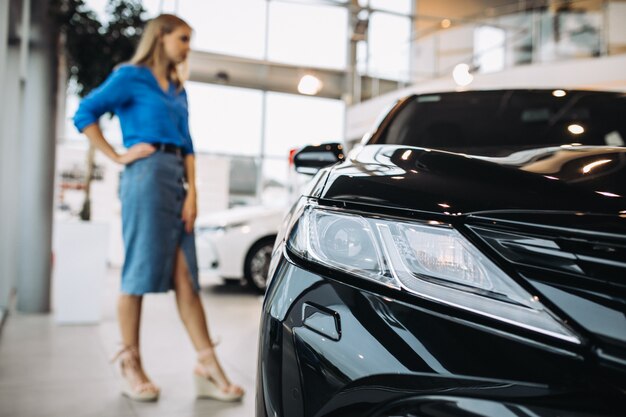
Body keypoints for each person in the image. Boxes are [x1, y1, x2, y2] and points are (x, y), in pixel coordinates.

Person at [73, 14, 244, 402]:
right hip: (145, 176)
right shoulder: (130, 76)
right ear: (161, 37)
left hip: (176, 182)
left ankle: (207, 365)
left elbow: (188, 146)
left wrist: (193, 194)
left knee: (187, 279)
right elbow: (84, 113)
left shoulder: (178, 89)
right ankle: (130, 364)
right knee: (136, 273)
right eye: (183, 39)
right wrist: (117, 156)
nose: (187, 47)